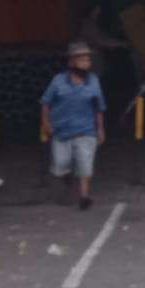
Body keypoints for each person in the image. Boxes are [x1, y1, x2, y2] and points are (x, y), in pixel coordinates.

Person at [41, 42, 106, 210]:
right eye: (82, 60)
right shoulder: (58, 81)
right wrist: (46, 123)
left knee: (85, 164)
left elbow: (99, 107)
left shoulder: (93, 81)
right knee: (61, 165)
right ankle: (67, 176)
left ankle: (84, 196)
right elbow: (46, 102)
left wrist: (100, 129)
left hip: (86, 130)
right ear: (72, 62)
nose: (86, 63)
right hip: (61, 131)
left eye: (88, 60)